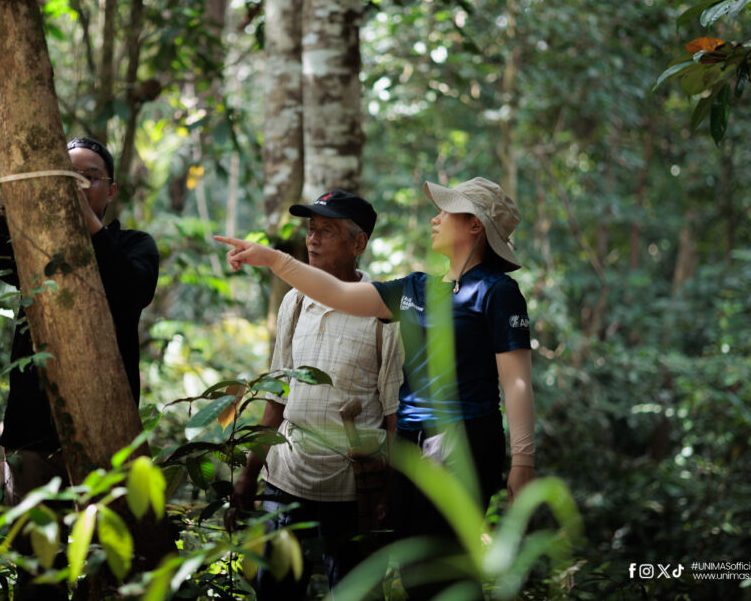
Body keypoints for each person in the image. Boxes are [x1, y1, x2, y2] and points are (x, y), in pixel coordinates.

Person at [216, 177, 535, 593]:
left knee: (445, 571)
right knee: (414, 572)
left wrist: (523, 461)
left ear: (475, 225)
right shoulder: (417, 288)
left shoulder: (498, 292)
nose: (435, 219)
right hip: (409, 443)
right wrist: (274, 260)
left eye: (446, 211)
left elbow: (517, 382)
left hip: (464, 439)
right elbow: (339, 293)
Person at [231, 191, 404, 599]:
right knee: (275, 592)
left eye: (327, 231)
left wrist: (389, 493)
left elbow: (394, 412)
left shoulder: (383, 313)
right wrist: (249, 473)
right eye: (311, 229)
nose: (312, 239)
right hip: (286, 479)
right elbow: (277, 397)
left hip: (352, 488)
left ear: (358, 243)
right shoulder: (294, 301)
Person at [0, 137, 159, 504]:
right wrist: (1, 202)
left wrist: (89, 224)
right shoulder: (36, 245)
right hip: (32, 431)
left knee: (104, 536)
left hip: (106, 435)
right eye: (67, 177)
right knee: (30, 537)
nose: (76, 186)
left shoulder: (134, 244)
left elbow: (134, 289)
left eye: (89, 178)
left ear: (111, 191)